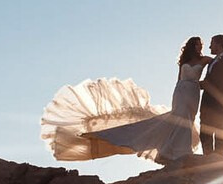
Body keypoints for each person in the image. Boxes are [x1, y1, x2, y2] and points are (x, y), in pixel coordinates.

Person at [87, 37, 206, 166]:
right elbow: (178, 80)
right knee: (178, 118)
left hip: (193, 93)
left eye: (201, 45)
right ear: (193, 45)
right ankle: (174, 153)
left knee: (187, 120)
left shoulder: (204, 60)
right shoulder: (184, 61)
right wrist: (176, 96)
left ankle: (177, 152)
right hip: (180, 92)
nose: (201, 47)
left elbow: (217, 64)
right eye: (198, 44)